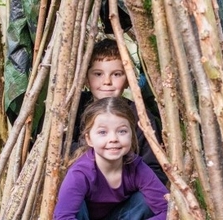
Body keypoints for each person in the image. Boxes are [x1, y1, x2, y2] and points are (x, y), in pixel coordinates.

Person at [71, 38, 168, 185]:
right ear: (85, 78)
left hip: (126, 195)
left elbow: (155, 170)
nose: (107, 81)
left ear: (129, 79)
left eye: (116, 74)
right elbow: (59, 149)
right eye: (98, 74)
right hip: (84, 188)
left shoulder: (140, 116)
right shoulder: (73, 109)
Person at [54, 97, 169, 220]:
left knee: (144, 200)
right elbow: (62, 217)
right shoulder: (80, 173)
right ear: (89, 139)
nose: (113, 139)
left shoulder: (137, 167)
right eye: (103, 132)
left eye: (122, 131)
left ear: (132, 135)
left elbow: (167, 210)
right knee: (77, 205)